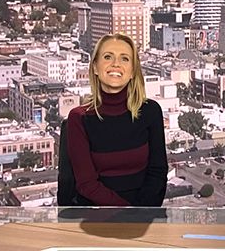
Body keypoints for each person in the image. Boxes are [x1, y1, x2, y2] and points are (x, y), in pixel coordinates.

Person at [62, 33, 168, 206]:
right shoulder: (79, 118)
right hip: (97, 217)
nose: (116, 64)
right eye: (108, 57)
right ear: (95, 67)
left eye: (125, 59)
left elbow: (158, 172)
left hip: (143, 216)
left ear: (133, 71)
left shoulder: (150, 111)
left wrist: (141, 214)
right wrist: (127, 214)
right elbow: (87, 184)